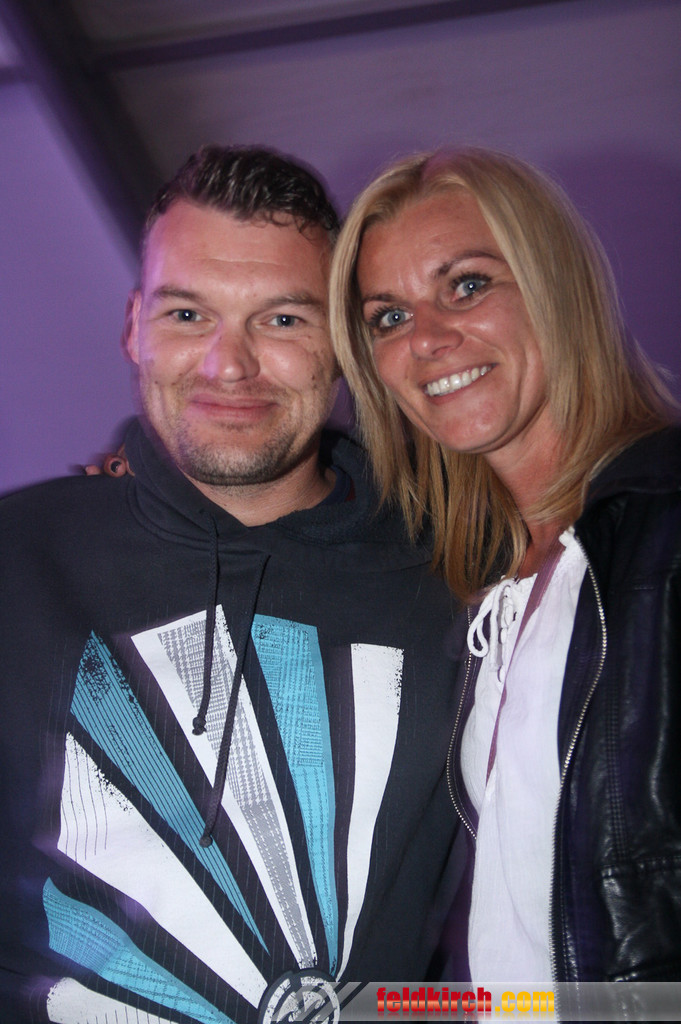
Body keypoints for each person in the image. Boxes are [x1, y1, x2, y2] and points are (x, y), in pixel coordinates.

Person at [0, 145, 463, 1023]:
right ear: (134, 325)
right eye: (188, 313)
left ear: (344, 342)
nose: (229, 366)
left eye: (282, 319)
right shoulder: (16, 559)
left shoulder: (461, 579)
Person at [329, 147, 681, 985]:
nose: (427, 339)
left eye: (466, 285)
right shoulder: (484, 591)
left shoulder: (665, 526)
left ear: (554, 287)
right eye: (388, 317)